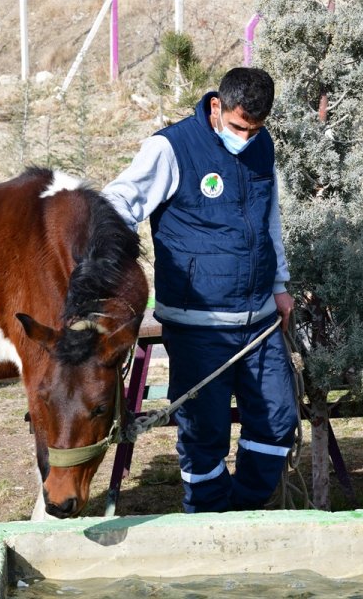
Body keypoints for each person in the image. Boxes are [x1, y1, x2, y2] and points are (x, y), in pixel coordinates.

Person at [103, 67, 298, 513]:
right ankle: (208, 519)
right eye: (237, 127)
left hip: (261, 320)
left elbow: (270, 221)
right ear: (216, 107)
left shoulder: (260, 145)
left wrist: (281, 285)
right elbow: (118, 200)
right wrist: (108, 263)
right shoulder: (169, 148)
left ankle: (244, 511)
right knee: (204, 433)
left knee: (277, 420)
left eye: (255, 129)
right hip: (198, 325)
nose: (245, 138)